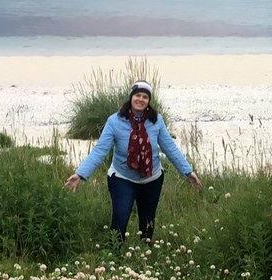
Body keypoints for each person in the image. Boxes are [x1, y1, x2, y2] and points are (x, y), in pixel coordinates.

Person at [64, 80, 202, 242]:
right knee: (120, 220)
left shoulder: (156, 120)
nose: (141, 99)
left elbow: (169, 147)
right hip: (122, 178)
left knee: (147, 224)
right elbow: (100, 151)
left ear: (149, 101)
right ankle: (114, 258)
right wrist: (80, 174)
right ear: (131, 97)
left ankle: (146, 258)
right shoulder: (114, 121)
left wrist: (188, 172)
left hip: (152, 178)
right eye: (137, 95)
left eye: (145, 97)